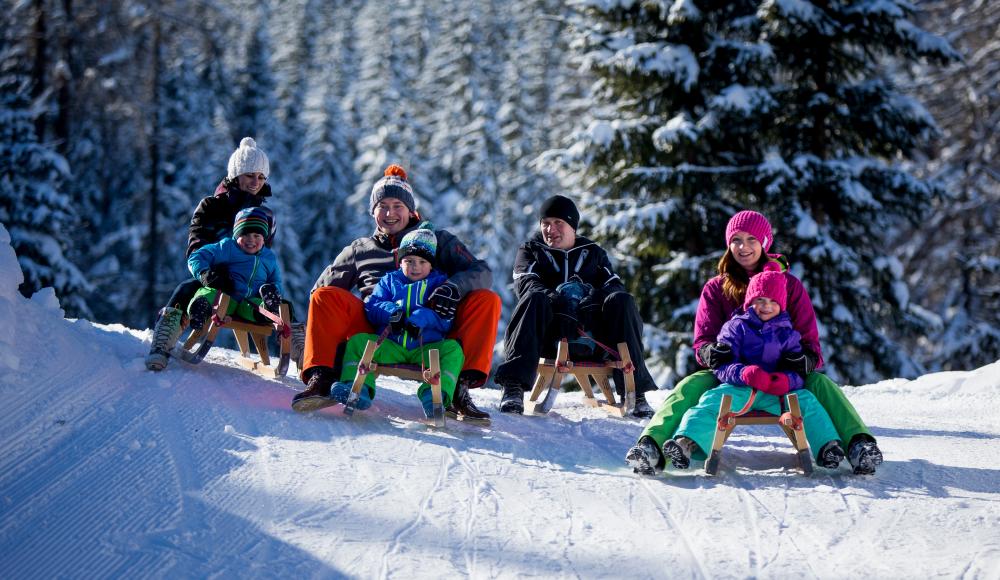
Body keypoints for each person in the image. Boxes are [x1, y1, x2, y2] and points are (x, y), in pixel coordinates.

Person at [628, 210, 884, 474]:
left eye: (752, 239)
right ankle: (652, 446)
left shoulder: (789, 286)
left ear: (764, 243)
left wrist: (804, 358)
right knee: (690, 385)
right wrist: (708, 352)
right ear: (728, 245)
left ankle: (858, 445)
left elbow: (811, 343)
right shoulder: (716, 288)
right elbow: (702, 340)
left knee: (822, 384)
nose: (744, 247)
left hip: (782, 375)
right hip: (731, 374)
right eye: (736, 239)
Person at [291, 164, 501, 421]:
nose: (390, 213)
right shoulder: (361, 249)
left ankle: (458, 386)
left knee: (486, 299)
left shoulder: (436, 241)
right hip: (376, 327)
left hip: (431, 329)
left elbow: (482, 272)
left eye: (397, 206)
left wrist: (452, 288)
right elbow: (321, 291)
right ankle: (323, 377)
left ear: (410, 209)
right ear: (373, 212)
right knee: (325, 295)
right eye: (383, 206)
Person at [628, 271, 845, 472]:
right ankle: (685, 443)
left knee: (807, 400)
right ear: (750, 302)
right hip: (739, 389)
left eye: (773, 301)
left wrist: (788, 381)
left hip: (777, 393)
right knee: (710, 401)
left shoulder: (788, 334)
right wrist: (742, 373)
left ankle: (828, 446)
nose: (766, 306)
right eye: (760, 300)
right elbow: (722, 365)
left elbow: (797, 370)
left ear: (782, 305)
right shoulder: (736, 327)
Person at [493, 194, 657, 418]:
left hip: (590, 338)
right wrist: (555, 301)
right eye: (546, 223)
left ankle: (635, 391)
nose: (551, 229)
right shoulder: (531, 250)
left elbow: (614, 285)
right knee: (534, 298)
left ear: (572, 226)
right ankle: (512, 387)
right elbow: (526, 282)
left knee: (622, 300)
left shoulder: (593, 253)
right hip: (547, 336)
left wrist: (596, 298)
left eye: (558, 223)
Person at [146, 137, 286, 371]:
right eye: (250, 175)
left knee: (280, 303)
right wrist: (208, 275)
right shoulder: (211, 206)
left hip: (247, 283)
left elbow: (262, 254)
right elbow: (196, 246)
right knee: (186, 289)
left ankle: (299, 356)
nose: (256, 182)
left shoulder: (266, 215)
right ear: (236, 175)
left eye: (261, 177)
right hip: (214, 277)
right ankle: (162, 342)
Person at [301, 229, 465, 417]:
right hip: (390, 345)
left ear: (431, 264)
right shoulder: (390, 280)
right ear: (400, 261)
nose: (415, 267)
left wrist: (420, 318)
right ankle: (357, 390)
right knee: (358, 342)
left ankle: (435, 398)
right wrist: (393, 313)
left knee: (453, 350)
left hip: (425, 348)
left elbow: (446, 318)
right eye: (409, 261)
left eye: (422, 262)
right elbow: (372, 305)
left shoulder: (439, 285)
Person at [185, 206, 286, 329]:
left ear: (264, 239)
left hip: (250, 302)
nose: (251, 240)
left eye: (256, 236)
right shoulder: (227, 247)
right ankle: (199, 311)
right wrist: (204, 273)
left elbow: (276, 281)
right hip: (227, 297)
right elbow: (197, 256)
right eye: (245, 234)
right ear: (236, 235)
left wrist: (273, 290)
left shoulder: (269, 257)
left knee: (260, 307)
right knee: (209, 293)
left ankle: (267, 310)